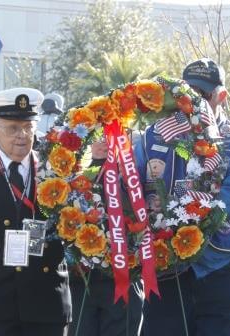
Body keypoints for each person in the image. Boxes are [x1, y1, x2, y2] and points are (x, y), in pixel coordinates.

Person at [139, 58, 230, 336]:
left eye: (203, 95)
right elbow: (135, 190)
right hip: (167, 268)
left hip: (218, 265)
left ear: (221, 96)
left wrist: (179, 213)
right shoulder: (153, 137)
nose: (193, 103)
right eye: (188, 93)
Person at [0, 88, 72, 336]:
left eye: (28, 127)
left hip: (47, 299)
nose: (22, 136)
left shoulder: (56, 171)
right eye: (13, 128)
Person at [68, 139, 144, 336]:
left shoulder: (137, 179)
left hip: (125, 276)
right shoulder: (85, 177)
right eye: (100, 141)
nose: (105, 145)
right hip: (85, 279)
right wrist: (96, 163)